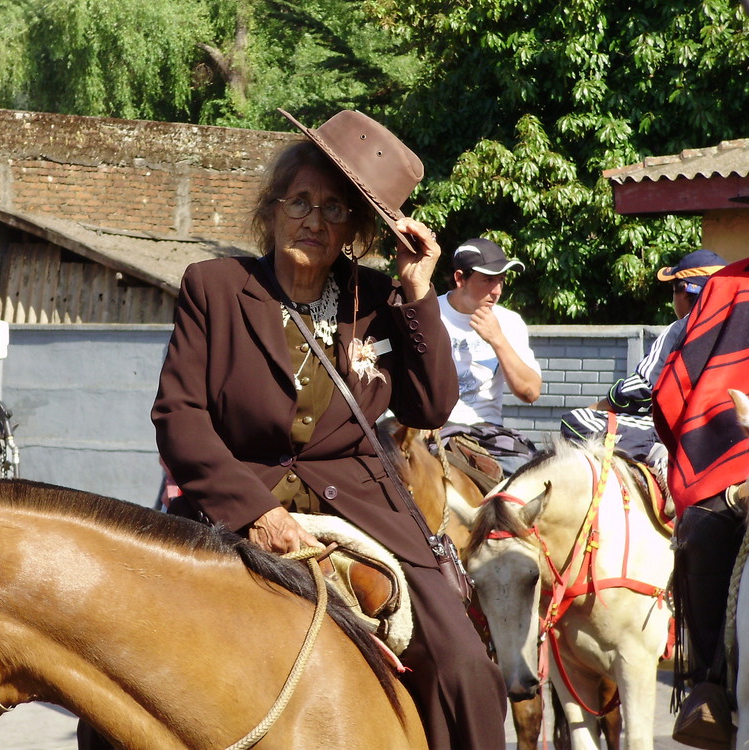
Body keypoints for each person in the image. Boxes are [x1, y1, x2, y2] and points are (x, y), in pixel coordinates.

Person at [152, 109, 507, 750]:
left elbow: (431, 407)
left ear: (357, 229)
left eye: (336, 209)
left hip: (365, 508)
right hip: (235, 502)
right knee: (128, 661)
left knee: (465, 664)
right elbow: (180, 417)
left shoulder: (377, 298)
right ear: (274, 207)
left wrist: (417, 290)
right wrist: (253, 510)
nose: (314, 220)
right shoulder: (215, 287)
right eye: (302, 201)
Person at [652, 255, 749, 745]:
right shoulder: (729, 286)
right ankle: (712, 686)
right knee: (704, 527)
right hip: (741, 450)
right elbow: (681, 386)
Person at [560, 249, 728, 473]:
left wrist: (599, 406)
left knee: (576, 420)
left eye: (673, 289)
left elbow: (641, 389)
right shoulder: (736, 328)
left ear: (685, 291)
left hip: (684, 430)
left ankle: (659, 452)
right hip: (729, 429)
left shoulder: (682, 328)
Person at [435, 238, 542, 478]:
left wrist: (498, 339)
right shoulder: (428, 313)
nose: (497, 291)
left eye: (501, 280)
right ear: (460, 278)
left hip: (485, 432)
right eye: (487, 280)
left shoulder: (509, 322)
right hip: (432, 428)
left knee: (529, 480)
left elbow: (530, 392)